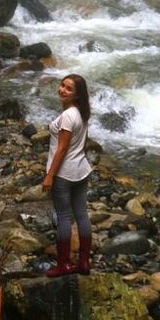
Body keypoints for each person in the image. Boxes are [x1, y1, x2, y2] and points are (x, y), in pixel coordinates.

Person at [42, 73, 92, 277]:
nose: (62, 90)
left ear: (77, 95)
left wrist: (49, 176)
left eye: (68, 88)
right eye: (62, 85)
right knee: (81, 214)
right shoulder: (82, 112)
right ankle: (84, 263)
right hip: (81, 170)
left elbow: (62, 149)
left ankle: (63, 264)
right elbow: (82, 141)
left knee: (63, 217)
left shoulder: (68, 116)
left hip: (64, 173)